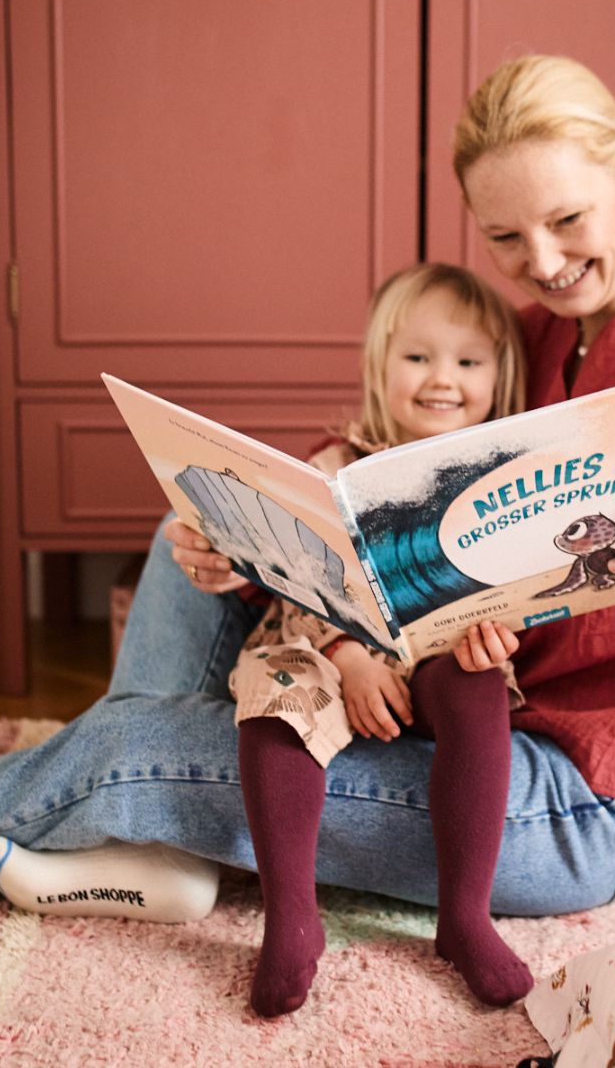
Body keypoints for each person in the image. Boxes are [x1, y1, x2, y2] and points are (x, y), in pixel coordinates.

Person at [0, 52, 615, 1010]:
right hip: (439, 675)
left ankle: (127, 823)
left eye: (568, 219)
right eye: (505, 238)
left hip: (574, 792)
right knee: (195, 518)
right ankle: (164, 839)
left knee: (132, 750)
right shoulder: (540, 330)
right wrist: (260, 553)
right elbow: (392, 484)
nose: (542, 263)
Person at [228, 262, 533, 1014]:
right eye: (418, 357)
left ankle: (464, 918)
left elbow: (517, 594)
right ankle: (292, 921)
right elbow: (297, 577)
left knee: (478, 683)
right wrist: (347, 658)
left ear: (498, 375)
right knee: (276, 700)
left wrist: (495, 636)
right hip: (327, 646)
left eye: (468, 362)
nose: (443, 379)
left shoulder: (506, 479)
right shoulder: (334, 466)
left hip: (439, 653)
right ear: (380, 364)